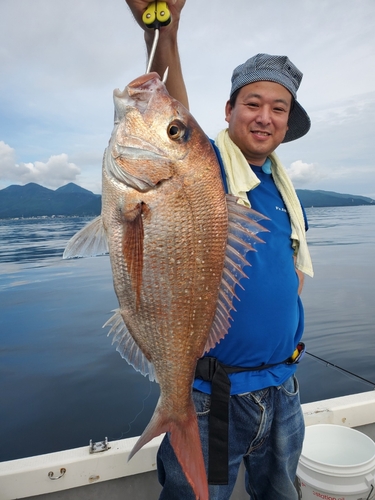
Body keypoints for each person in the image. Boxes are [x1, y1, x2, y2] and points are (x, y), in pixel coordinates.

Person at [125, 1, 314, 499]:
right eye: (252, 103)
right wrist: (165, 30)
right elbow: (172, 123)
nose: (265, 117)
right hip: (217, 402)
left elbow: (291, 274)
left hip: (284, 390)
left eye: (279, 108)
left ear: (287, 122)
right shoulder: (207, 171)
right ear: (229, 111)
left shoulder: (283, 191)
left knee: (280, 493)